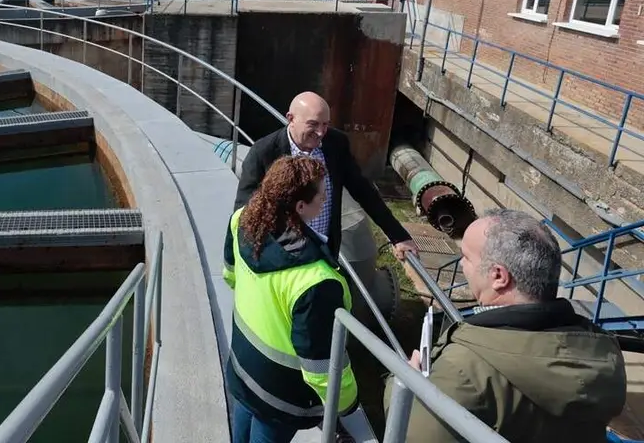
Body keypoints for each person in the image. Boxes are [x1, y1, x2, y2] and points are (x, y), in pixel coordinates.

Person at [393, 209, 627, 442]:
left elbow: (412, 435)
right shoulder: (604, 351)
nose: (462, 264)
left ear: (498, 276)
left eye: (466, 256)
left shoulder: (463, 369)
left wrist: (406, 387)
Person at [224, 156, 377, 443]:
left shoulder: (241, 222)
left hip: (242, 369)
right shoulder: (316, 282)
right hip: (280, 396)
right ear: (300, 207)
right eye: (321, 194)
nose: (325, 200)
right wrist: (348, 406)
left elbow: (230, 276)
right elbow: (321, 368)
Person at [234, 91, 417, 261]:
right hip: (284, 253)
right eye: (313, 124)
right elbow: (244, 207)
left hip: (325, 249)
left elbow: (363, 191)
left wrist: (398, 236)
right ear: (290, 118)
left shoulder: (336, 144)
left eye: (325, 124)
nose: (321, 132)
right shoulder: (263, 152)